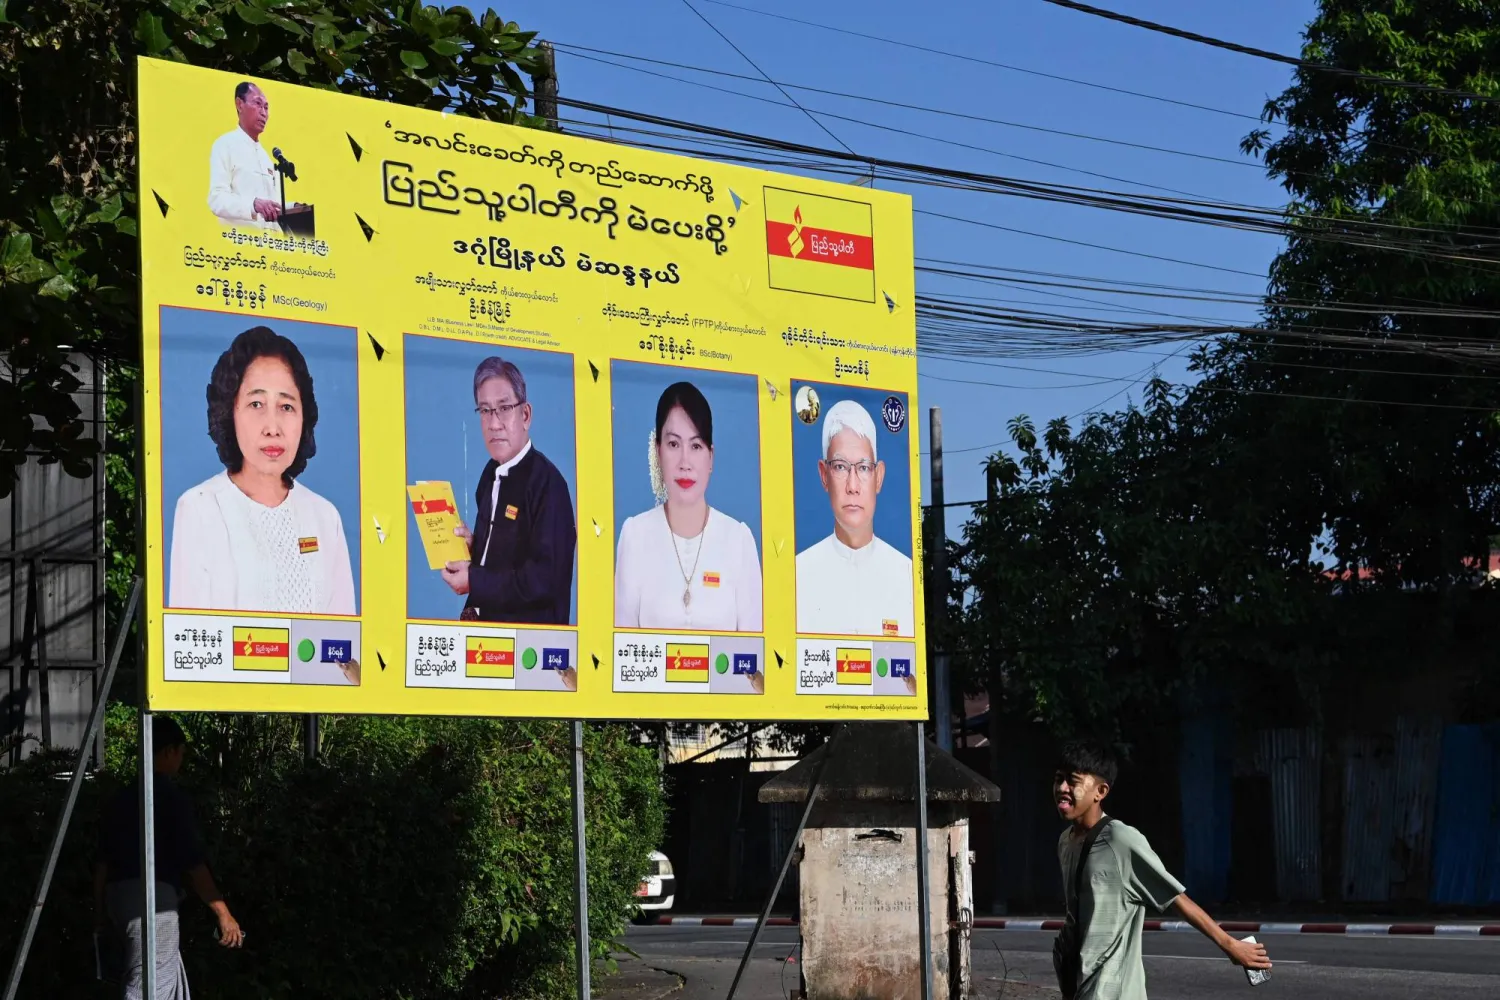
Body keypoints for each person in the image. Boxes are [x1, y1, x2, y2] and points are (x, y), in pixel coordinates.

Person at [1052, 741, 1271, 1000]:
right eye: (1058, 780)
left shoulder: (1121, 840)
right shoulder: (1066, 841)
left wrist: (1230, 945)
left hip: (1114, 991)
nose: (1062, 789)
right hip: (1077, 987)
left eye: (1072, 781)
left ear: (1100, 791)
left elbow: (1176, 899)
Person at [169, 326, 356, 615]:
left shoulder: (324, 516)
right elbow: (191, 641)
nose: (272, 428)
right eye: (256, 404)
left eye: (286, 406)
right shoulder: (200, 507)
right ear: (229, 411)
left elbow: (344, 646)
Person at [94, 717, 243, 1000]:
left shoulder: (120, 798)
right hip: (153, 904)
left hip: (118, 899)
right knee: (148, 987)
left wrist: (100, 915)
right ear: (168, 752)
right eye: (181, 753)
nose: (182, 760)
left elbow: (102, 865)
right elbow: (193, 862)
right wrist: (224, 914)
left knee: (166, 978)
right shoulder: (171, 799)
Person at [615, 381, 763, 631]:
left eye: (696, 446)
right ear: (658, 451)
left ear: (710, 457)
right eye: (674, 444)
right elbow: (621, 649)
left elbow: (755, 656)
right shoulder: (635, 535)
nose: (685, 462)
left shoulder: (738, 540)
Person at [443, 356, 576, 624]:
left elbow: (543, 580)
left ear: (525, 415)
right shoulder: (489, 475)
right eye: (484, 411)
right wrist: (474, 548)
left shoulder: (549, 485)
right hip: (481, 641)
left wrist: (474, 581)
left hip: (527, 651)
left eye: (504, 408)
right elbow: (503, 556)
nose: (494, 424)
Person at [794, 399, 914, 635]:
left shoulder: (906, 573)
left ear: (878, 477)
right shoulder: (798, 573)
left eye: (863, 468)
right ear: (823, 474)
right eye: (840, 467)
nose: (852, 486)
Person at [208, 81, 282, 229]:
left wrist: (297, 207)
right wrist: (252, 205)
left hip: (270, 246)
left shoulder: (267, 158)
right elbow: (217, 200)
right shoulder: (225, 145)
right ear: (239, 104)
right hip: (234, 246)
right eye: (258, 104)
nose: (263, 113)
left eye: (266, 107)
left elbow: (274, 205)